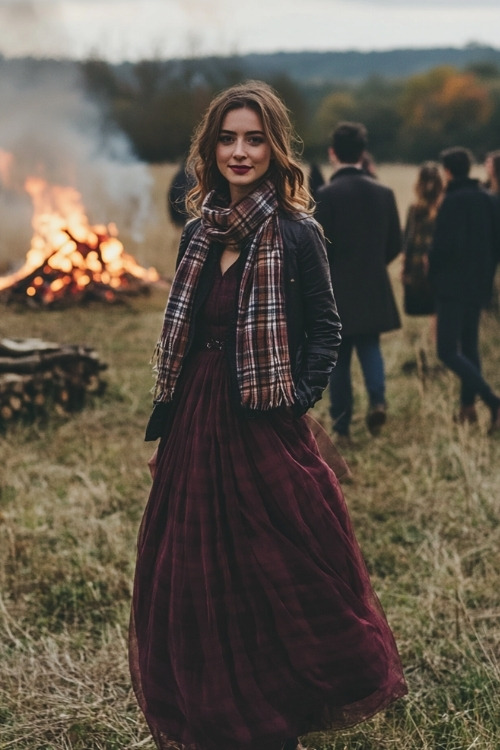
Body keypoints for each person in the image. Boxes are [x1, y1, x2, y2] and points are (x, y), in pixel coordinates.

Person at [129, 81, 407, 750]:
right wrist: (167, 421)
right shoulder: (198, 234)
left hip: (263, 417)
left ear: (275, 146)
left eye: (254, 137)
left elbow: (328, 329)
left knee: (281, 563)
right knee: (193, 569)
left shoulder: (296, 233)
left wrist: (296, 398)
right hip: (196, 416)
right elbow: (187, 333)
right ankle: (218, 705)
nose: (240, 151)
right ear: (210, 149)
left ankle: (287, 697)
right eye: (227, 138)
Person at [315, 121, 402, 439]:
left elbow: (318, 250)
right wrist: (375, 266)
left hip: (336, 289)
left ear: (332, 154)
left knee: (338, 359)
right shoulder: (384, 192)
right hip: (373, 284)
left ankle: (342, 426)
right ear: (363, 154)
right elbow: (396, 243)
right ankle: (378, 401)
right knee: (371, 348)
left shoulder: (325, 195)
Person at [429, 146, 500, 429]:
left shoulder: (451, 201)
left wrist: (433, 276)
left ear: (447, 172)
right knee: (469, 347)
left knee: (446, 350)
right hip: (480, 283)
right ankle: (467, 408)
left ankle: (492, 401)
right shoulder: (489, 200)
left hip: (451, 286)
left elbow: (441, 247)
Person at [402, 161, 443, 317]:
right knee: (439, 309)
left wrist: (404, 267)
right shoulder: (445, 207)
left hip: (418, 267)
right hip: (440, 265)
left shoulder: (415, 208)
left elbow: (408, 240)